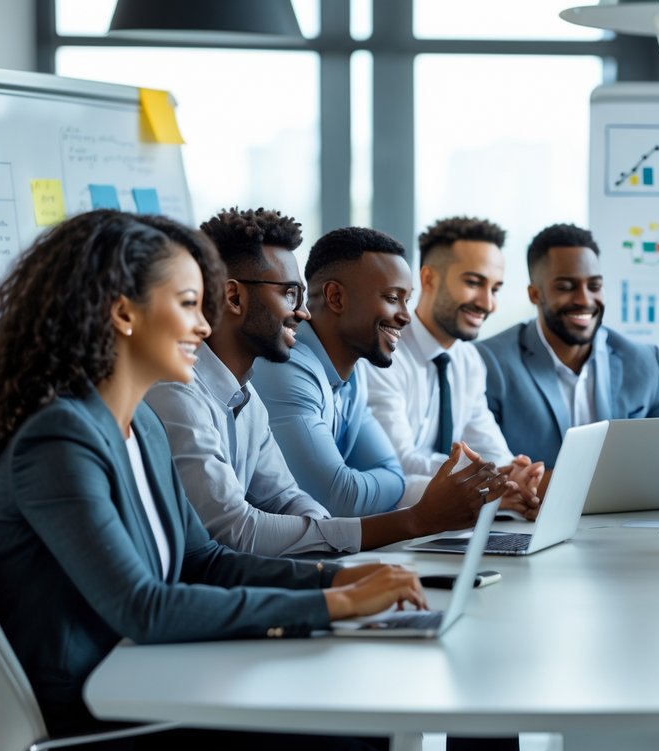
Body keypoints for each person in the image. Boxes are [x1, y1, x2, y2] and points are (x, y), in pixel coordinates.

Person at [0, 210, 427, 751]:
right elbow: (144, 607)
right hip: (103, 722)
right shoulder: (57, 439)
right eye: (187, 305)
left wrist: (339, 577)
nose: (204, 326)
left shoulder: (141, 424)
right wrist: (335, 603)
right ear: (123, 314)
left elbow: (206, 560)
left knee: (370, 724)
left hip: (151, 680)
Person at [146, 208, 492, 557]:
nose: (303, 312)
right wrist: (415, 521)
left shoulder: (246, 396)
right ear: (234, 297)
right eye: (290, 293)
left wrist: (332, 558)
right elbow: (237, 530)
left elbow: (287, 498)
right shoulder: (179, 393)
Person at [250, 225, 512, 527]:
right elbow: (340, 498)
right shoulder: (286, 367)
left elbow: (394, 475)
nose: (406, 316)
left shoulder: (354, 377)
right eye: (391, 298)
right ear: (335, 297)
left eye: (406, 300)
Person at [363, 215, 542, 516]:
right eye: (473, 282)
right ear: (428, 279)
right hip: (392, 520)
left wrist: (512, 473)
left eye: (495, 289)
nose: (487, 303)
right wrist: (487, 479)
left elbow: (489, 444)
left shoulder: (469, 360)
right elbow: (399, 462)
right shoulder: (383, 354)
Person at [478, 223, 659, 466]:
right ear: (535, 294)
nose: (584, 300)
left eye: (594, 286)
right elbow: (483, 474)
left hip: (630, 495)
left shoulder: (646, 362)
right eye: (566, 287)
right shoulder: (488, 363)